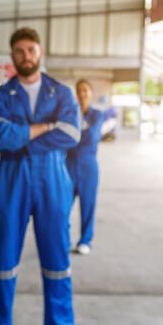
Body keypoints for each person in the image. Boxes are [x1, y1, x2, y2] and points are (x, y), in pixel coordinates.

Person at [0, 27, 82, 325]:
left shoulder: (62, 92)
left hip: (53, 176)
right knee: (4, 257)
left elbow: (70, 134)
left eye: (31, 49)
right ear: (12, 56)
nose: (26, 55)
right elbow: (0, 135)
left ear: (40, 52)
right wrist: (46, 127)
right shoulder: (0, 93)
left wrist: (23, 134)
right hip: (11, 176)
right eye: (19, 51)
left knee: (57, 258)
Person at [67, 79, 106, 255]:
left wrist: (75, 136)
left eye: (85, 90)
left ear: (91, 93)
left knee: (88, 205)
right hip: (69, 164)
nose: (82, 93)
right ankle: (63, 239)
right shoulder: (70, 113)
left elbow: (92, 137)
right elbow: (65, 137)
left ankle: (85, 241)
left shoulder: (97, 115)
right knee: (62, 205)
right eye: (79, 90)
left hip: (88, 165)